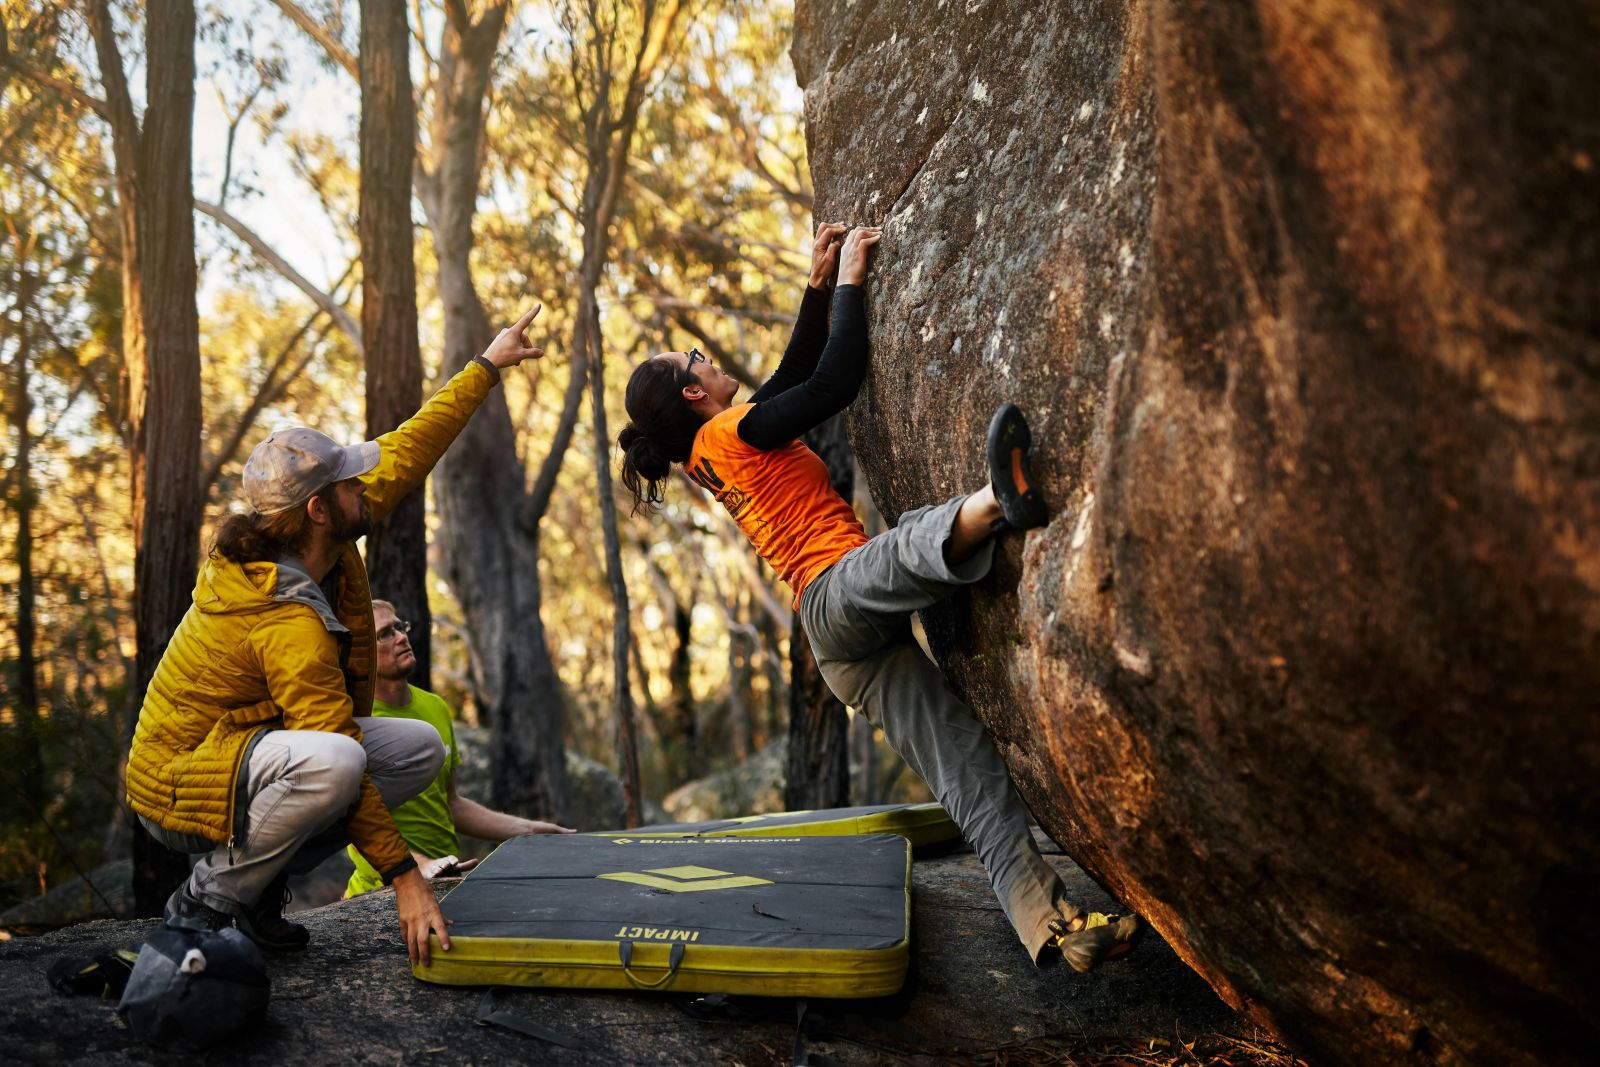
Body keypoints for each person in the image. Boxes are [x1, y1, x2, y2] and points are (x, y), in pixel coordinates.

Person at [616, 225, 1142, 971]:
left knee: (962, 762)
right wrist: (855, 280)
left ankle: (1051, 922)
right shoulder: (735, 431)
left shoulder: (713, 449)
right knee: (903, 543)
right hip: (838, 596)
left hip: (839, 646)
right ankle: (999, 501)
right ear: (695, 392)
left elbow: (789, 382)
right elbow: (830, 385)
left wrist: (817, 285)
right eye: (694, 358)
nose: (707, 355)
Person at [125, 306, 547, 968]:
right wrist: (406, 878)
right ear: (319, 508)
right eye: (348, 478)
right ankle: (206, 901)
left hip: (248, 751)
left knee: (418, 748)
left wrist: (487, 366)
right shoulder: (279, 613)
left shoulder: (323, 530)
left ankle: (256, 892)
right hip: (179, 784)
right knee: (340, 762)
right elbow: (336, 744)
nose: (364, 483)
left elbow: (408, 448)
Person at [343, 599, 574, 897]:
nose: (401, 637)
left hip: (447, 875)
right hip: (385, 885)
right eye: (385, 633)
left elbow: (452, 803)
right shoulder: (355, 720)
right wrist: (417, 866)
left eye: (401, 627)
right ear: (361, 653)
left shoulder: (434, 707)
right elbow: (351, 821)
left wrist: (527, 829)